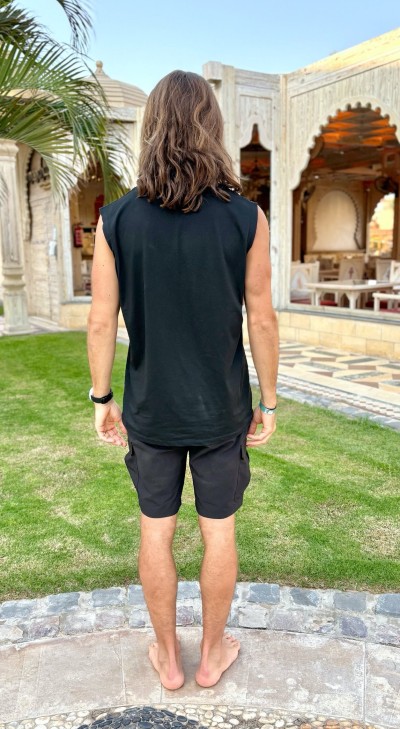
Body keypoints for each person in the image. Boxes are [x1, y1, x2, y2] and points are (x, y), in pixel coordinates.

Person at [87, 69, 279, 692]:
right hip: (222, 409)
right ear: (212, 128)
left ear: (151, 128)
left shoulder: (116, 220)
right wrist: (269, 401)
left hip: (151, 408)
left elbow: (100, 321)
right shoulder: (246, 217)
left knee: (156, 529)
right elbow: (262, 317)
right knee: (218, 531)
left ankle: (169, 659)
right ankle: (211, 655)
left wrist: (102, 397)